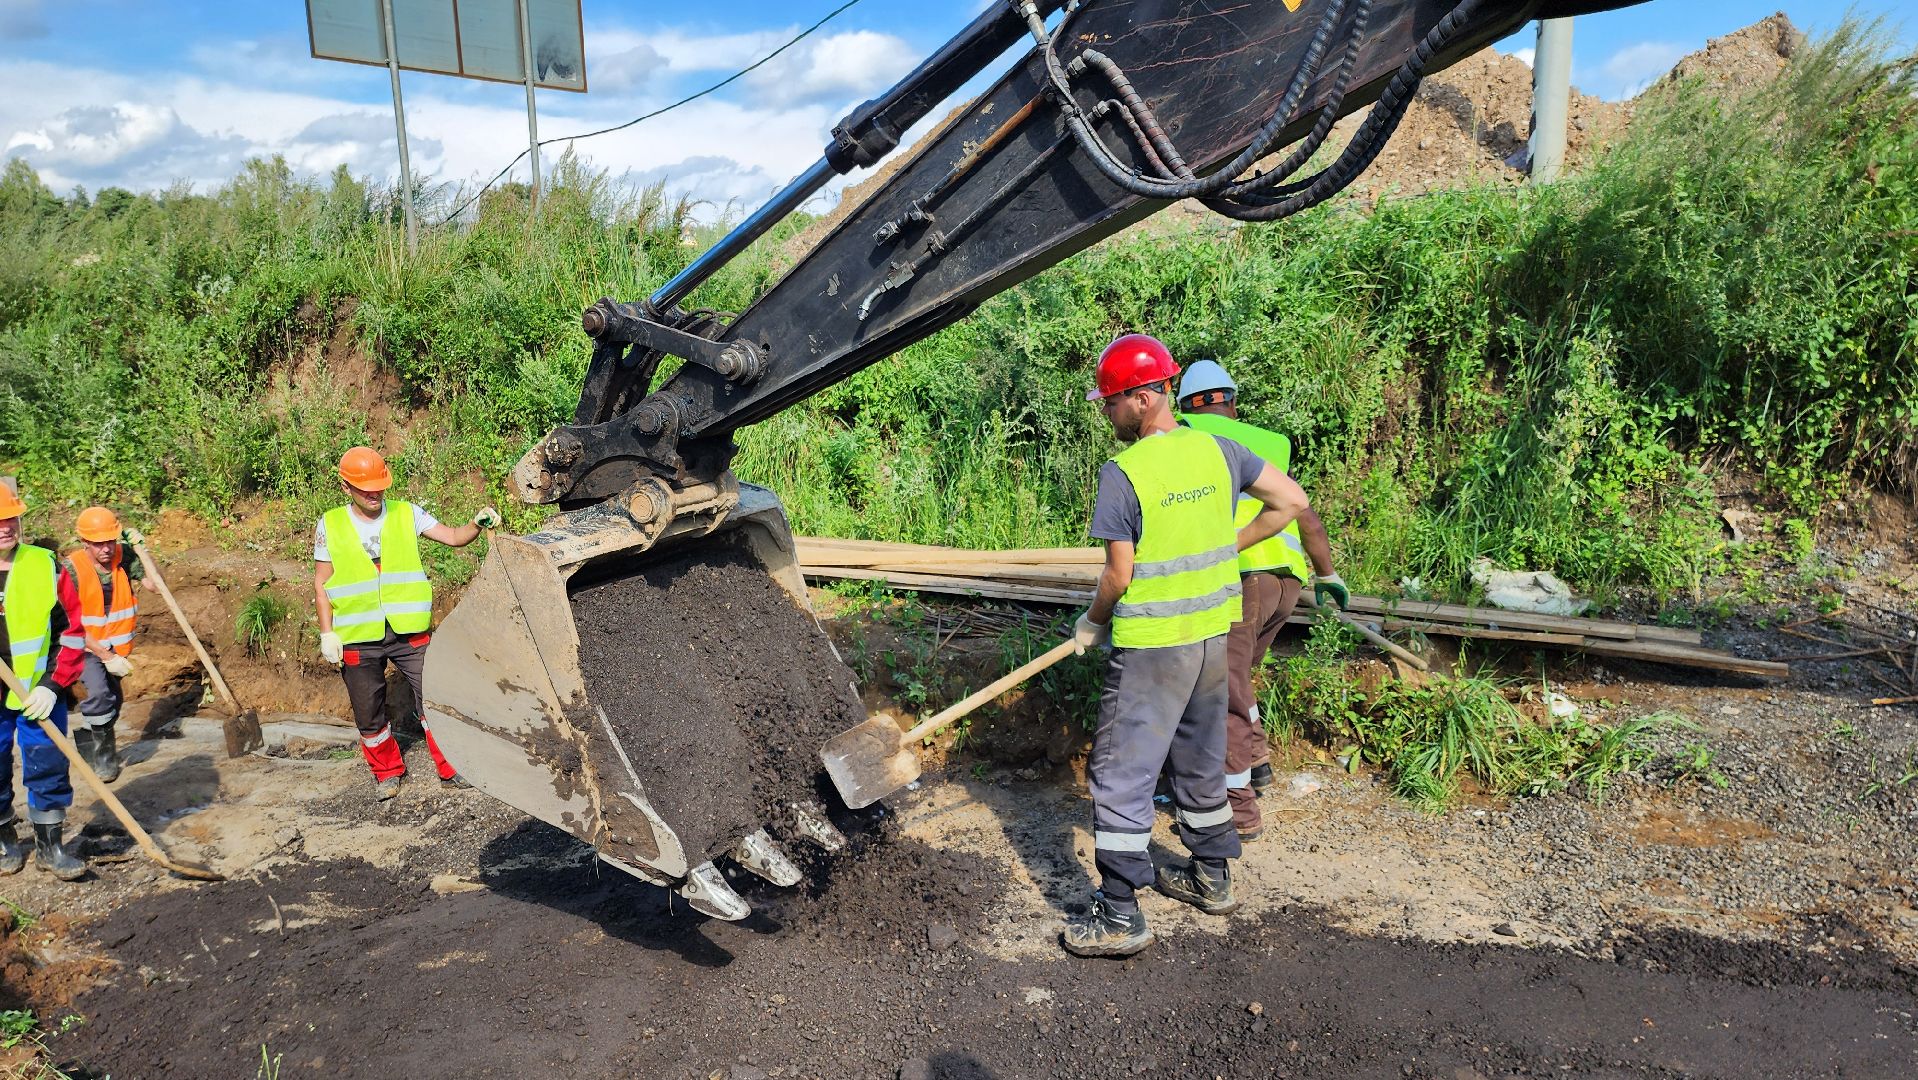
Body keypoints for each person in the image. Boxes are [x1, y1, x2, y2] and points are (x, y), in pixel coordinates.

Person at [1062, 335, 1312, 958]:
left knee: (1121, 770)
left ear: (1144, 398)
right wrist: (1233, 544)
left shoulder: (1124, 474)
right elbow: (1292, 502)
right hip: (1210, 637)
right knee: (1201, 759)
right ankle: (1212, 876)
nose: (1106, 413)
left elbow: (1119, 577)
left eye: (1111, 402)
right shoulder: (1219, 450)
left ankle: (1119, 912)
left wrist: (1092, 622)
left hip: (1152, 647)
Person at [1176, 360, 1348, 841]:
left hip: (1242, 580)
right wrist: (1328, 574)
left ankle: (1239, 810)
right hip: (1285, 587)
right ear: (1231, 400)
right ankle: (1258, 761)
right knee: (1240, 680)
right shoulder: (1270, 442)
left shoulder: (1190, 439)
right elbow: (1307, 518)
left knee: (1224, 695)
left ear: (1185, 405)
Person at [313, 447, 499, 800]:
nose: (374, 494)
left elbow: (454, 537)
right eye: (365, 488)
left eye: (379, 486)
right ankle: (387, 772)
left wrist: (476, 523)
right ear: (345, 487)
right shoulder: (330, 524)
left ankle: (451, 765)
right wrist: (327, 633)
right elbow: (322, 583)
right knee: (368, 713)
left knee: (436, 697)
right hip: (356, 635)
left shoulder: (405, 513)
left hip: (408, 630)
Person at [0, 483, 89, 880]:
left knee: (47, 763)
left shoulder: (44, 565)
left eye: (11, 518)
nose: (6, 527)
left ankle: (49, 847)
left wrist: (52, 685)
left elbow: (70, 632)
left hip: (38, 691)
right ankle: (4, 844)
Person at [65, 506, 155, 783]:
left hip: (115, 647)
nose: (106, 548)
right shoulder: (71, 569)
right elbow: (68, 623)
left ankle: (90, 740)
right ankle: (105, 760)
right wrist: (103, 654)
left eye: (110, 541)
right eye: (98, 543)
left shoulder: (124, 557)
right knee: (101, 695)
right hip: (84, 646)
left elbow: (156, 584)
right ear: (85, 543)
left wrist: (143, 550)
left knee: (115, 700)